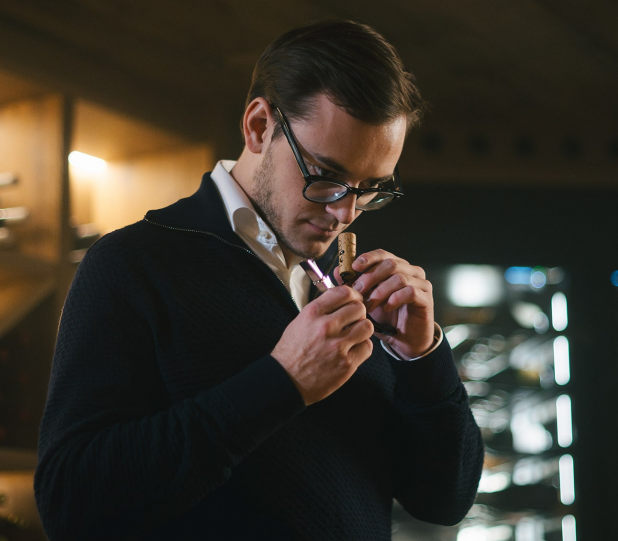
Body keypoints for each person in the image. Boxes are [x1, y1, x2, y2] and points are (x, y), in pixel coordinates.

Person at [34, 20, 483, 540]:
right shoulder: (133, 263)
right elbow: (71, 503)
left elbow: (444, 500)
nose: (345, 213)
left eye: (370, 189)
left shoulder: (351, 287)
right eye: (326, 176)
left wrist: (421, 357)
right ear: (258, 126)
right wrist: (282, 382)